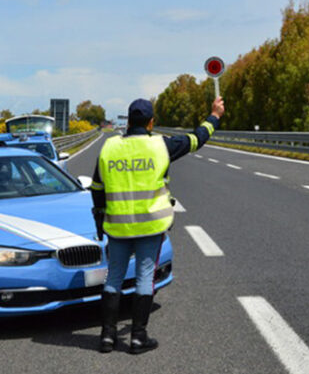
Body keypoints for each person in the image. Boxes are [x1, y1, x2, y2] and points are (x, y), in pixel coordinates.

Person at [91, 96, 225, 354]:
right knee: (144, 277)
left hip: (117, 226)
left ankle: (107, 337)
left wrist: (100, 217)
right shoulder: (160, 146)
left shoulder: (109, 148)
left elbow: (97, 188)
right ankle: (138, 337)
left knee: (113, 278)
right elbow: (197, 139)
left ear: (128, 122)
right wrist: (215, 116)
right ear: (151, 122)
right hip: (150, 226)